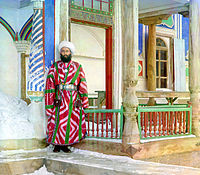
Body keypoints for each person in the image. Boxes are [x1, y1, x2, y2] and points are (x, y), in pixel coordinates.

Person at [45, 41, 89, 153]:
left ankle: (65, 145)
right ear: (60, 53)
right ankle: (56, 144)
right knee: (57, 121)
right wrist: (50, 102)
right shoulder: (55, 66)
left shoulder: (78, 67)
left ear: (71, 53)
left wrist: (84, 102)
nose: (65, 53)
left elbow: (83, 85)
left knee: (70, 121)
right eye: (63, 51)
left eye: (67, 51)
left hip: (73, 100)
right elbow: (50, 84)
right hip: (59, 98)